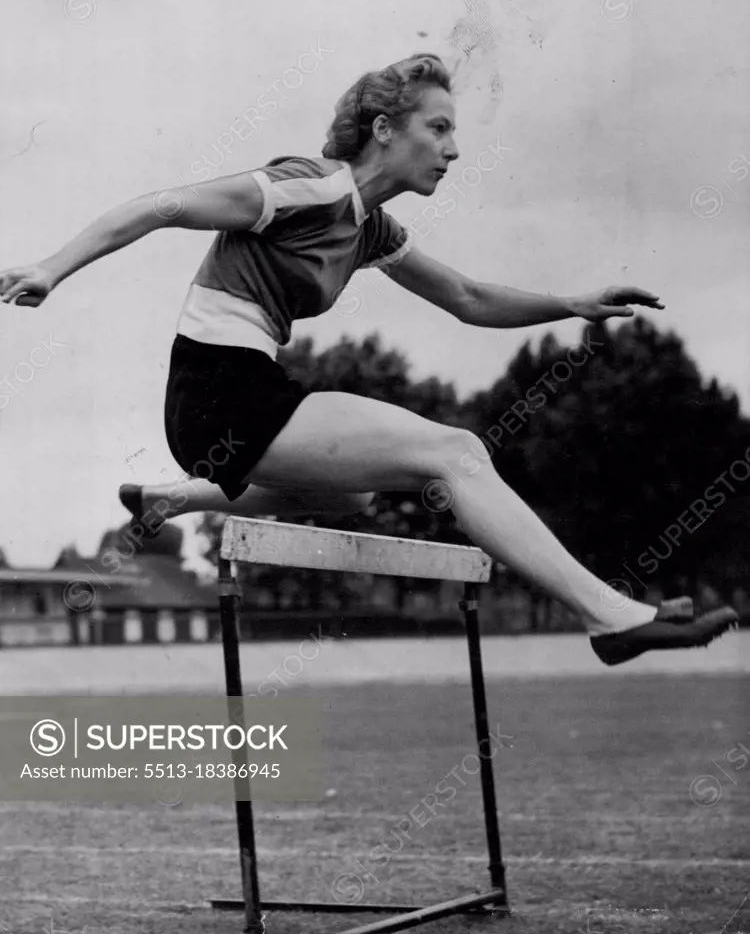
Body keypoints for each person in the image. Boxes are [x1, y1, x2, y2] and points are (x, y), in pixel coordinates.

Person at [0, 52, 737, 666]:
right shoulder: (308, 187)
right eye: (438, 128)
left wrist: (571, 304)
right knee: (456, 451)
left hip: (236, 393)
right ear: (384, 129)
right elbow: (160, 206)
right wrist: (51, 268)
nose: (454, 149)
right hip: (218, 388)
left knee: (355, 497)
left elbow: (470, 299)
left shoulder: (371, 228)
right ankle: (609, 616)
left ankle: (177, 496)